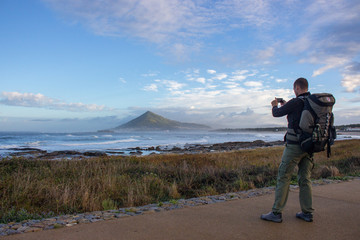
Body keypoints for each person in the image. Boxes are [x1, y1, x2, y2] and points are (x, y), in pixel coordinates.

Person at [261, 77, 314, 223]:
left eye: (294, 89)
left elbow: (277, 113)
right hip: (309, 146)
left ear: (297, 88)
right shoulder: (312, 102)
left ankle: (276, 213)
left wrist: (274, 105)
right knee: (305, 178)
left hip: (294, 146)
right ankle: (307, 212)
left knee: (284, 176)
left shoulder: (296, 102)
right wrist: (286, 104)